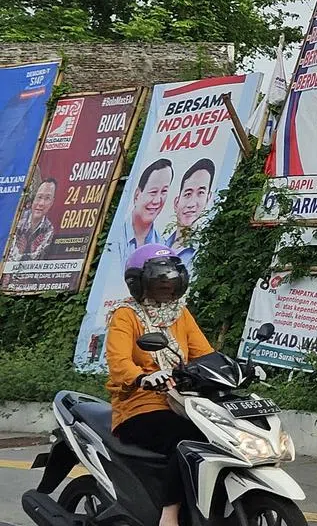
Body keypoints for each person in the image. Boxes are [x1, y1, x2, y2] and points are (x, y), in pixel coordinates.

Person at [105, 244, 214, 526]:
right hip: (139, 406)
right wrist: (143, 376)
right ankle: (169, 514)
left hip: (183, 402)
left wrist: (236, 368)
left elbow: (205, 354)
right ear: (139, 283)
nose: (166, 287)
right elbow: (119, 363)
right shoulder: (126, 315)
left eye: (171, 280)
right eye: (157, 280)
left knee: (220, 436)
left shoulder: (180, 313)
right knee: (188, 439)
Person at [165, 159, 215, 274]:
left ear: (208, 198)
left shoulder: (207, 250)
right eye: (187, 194)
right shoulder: (158, 247)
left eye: (200, 193)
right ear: (176, 202)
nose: (192, 204)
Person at [126, 159, 174, 255]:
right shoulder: (116, 237)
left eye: (164, 191)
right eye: (153, 192)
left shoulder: (162, 246)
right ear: (137, 195)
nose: (157, 201)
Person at [6, 178, 57, 261]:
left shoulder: (49, 228)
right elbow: (9, 255)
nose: (41, 203)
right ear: (34, 199)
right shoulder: (19, 219)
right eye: (39, 197)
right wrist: (22, 252)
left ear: (51, 202)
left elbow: (38, 258)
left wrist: (24, 251)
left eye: (47, 198)